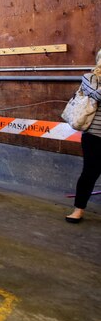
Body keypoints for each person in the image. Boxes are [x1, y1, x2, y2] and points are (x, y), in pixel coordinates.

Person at [65, 50, 101, 223]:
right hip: (94, 135)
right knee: (89, 173)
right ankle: (78, 210)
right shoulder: (90, 77)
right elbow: (98, 94)